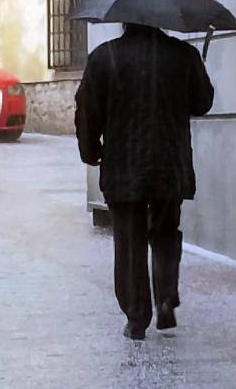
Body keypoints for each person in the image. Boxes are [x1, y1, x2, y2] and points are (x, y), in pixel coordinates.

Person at [75, 23, 214, 340]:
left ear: (125, 22)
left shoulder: (105, 56)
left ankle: (136, 317)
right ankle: (165, 297)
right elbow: (202, 103)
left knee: (128, 240)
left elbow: (87, 110)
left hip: (125, 166)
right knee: (166, 232)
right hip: (170, 164)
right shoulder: (183, 55)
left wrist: (90, 150)